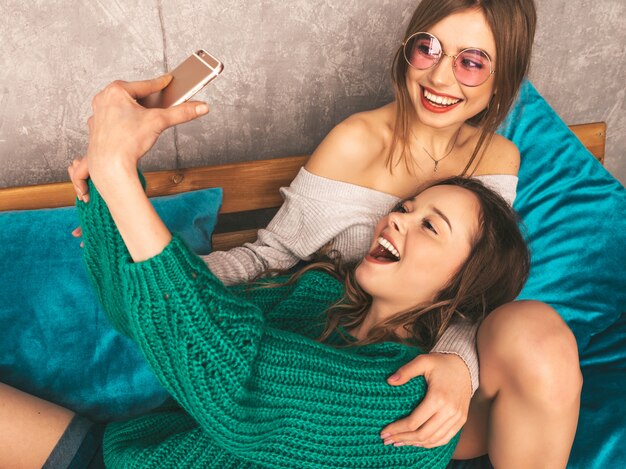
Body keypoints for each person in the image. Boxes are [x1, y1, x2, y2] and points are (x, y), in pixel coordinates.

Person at [69, 0, 582, 466]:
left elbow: (471, 284)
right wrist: (144, 240)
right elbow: (271, 257)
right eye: (427, 48)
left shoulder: (496, 159)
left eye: (471, 62)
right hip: (342, 378)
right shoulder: (353, 150)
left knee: (537, 332)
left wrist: (457, 366)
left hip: (420, 388)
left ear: (503, 80)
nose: (441, 76)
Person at [2, 78, 530, 469]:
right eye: (408, 206)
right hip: (129, 455)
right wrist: (108, 198)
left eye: (430, 226)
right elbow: (145, 320)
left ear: (462, 285)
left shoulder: (411, 402)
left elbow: (240, 386)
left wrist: (120, 180)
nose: (397, 218)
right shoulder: (314, 293)